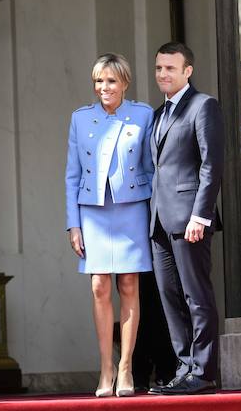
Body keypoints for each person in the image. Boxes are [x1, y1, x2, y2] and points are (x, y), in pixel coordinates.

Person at [65, 53, 154, 398]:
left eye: (112, 80)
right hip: (93, 211)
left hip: (132, 209)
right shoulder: (80, 119)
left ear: (125, 83)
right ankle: (105, 368)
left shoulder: (143, 114)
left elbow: (152, 167)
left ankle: (126, 367)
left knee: (129, 284)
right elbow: (72, 174)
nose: (104, 87)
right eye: (99, 81)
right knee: (100, 286)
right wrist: (74, 224)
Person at [148, 42, 224, 396]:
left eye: (170, 69)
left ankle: (204, 370)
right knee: (169, 296)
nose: (163, 74)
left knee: (197, 296)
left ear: (187, 71)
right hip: (159, 222)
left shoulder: (203, 105)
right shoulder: (156, 114)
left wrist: (201, 216)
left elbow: (212, 166)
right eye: (160, 68)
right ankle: (184, 367)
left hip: (189, 219)